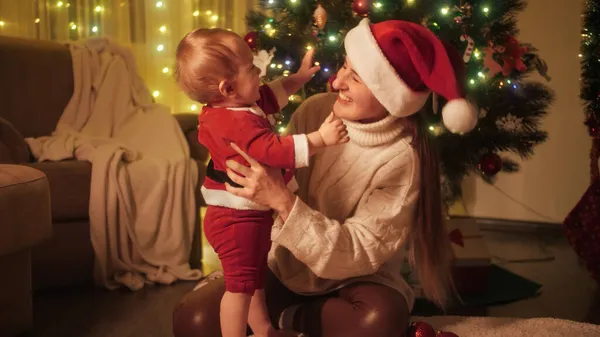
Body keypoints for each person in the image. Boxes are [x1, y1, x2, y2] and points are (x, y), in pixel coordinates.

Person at [173, 18, 478, 337]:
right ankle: (288, 319)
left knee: (378, 321)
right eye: (344, 66)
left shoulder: (402, 158)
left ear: (387, 94)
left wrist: (280, 200)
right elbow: (270, 156)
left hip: (353, 279)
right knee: (194, 320)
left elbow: (359, 253)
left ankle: (293, 318)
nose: (337, 82)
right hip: (286, 267)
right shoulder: (316, 110)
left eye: (355, 77)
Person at [174, 28, 350, 337]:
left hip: (249, 214)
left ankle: (264, 329)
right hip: (234, 219)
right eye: (252, 69)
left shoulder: (237, 105)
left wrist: (299, 77)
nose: (260, 73)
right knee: (239, 288)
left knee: (254, 279)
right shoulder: (234, 122)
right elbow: (273, 150)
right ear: (227, 88)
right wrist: (319, 139)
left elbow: (270, 95)